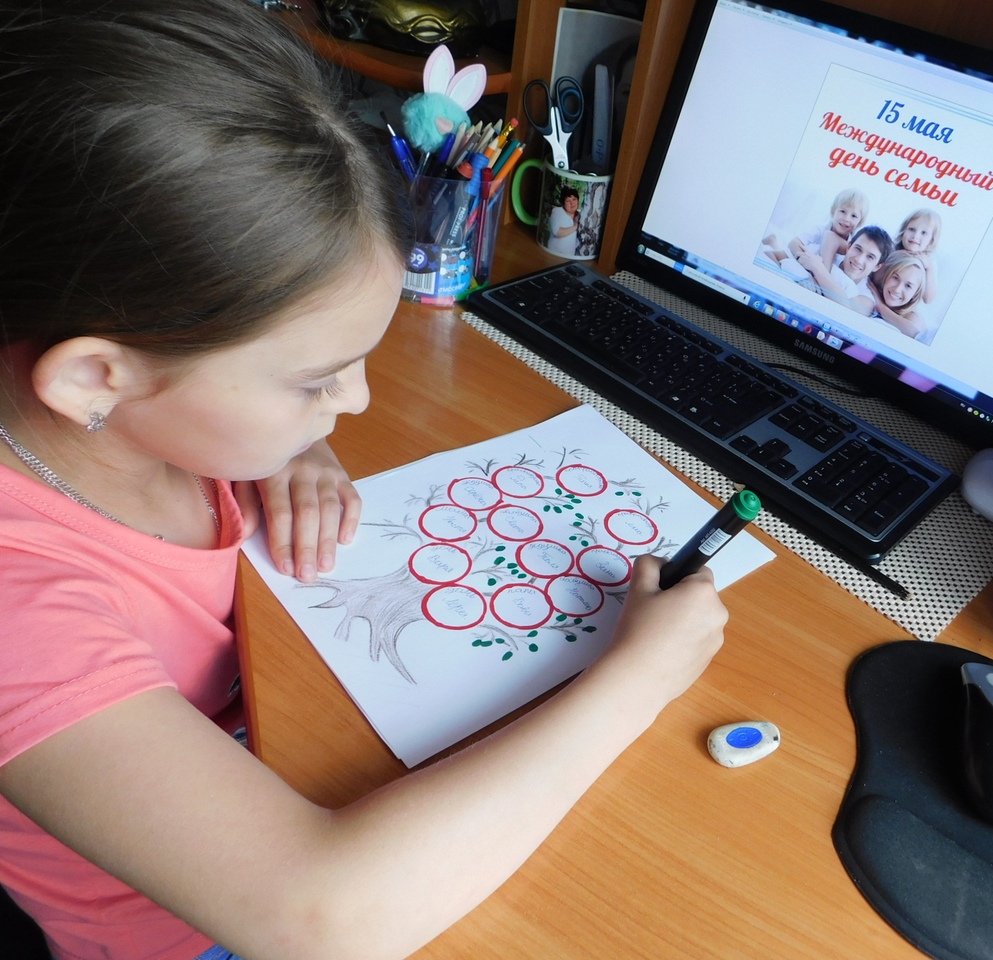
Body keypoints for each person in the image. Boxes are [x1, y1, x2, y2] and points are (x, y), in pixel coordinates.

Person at [0, 3, 727, 960]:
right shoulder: (19, 609)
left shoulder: (131, 414)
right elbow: (322, 919)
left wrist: (289, 443)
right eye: (317, 380)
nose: (358, 402)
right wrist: (637, 680)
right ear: (96, 377)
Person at [760, 188, 869, 277]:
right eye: (843, 211)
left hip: (818, 272)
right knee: (779, 263)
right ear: (834, 211)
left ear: (860, 222)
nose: (846, 218)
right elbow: (794, 242)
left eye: (853, 216)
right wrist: (803, 260)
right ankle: (773, 242)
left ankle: (773, 242)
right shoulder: (820, 229)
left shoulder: (853, 245)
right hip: (802, 261)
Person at [795, 226, 894, 309]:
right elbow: (793, 247)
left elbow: (847, 308)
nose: (859, 260)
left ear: (877, 266)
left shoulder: (867, 297)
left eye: (870, 257)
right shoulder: (828, 255)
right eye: (858, 249)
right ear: (849, 247)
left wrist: (818, 270)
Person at [863, 250, 930, 340]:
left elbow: (915, 334)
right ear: (887, 276)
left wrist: (881, 307)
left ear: (915, 294)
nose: (897, 289)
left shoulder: (913, 317)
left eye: (908, 286)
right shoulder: (873, 290)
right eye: (895, 278)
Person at [894, 208, 942, 304]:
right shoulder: (893, 248)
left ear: (931, 240)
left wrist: (929, 268)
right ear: (903, 230)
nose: (915, 236)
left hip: (903, 304)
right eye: (912, 229)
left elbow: (928, 299)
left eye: (923, 233)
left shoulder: (929, 260)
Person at [546, 186, 580, 257]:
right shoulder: (557, 212)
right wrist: (575, 227)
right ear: (563, 203)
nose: (572, 203)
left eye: (574, 199)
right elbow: (557, 232)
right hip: (553, 255)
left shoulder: (581, 215)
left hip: (570, 257)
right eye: (568, 201)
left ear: (578, 201)